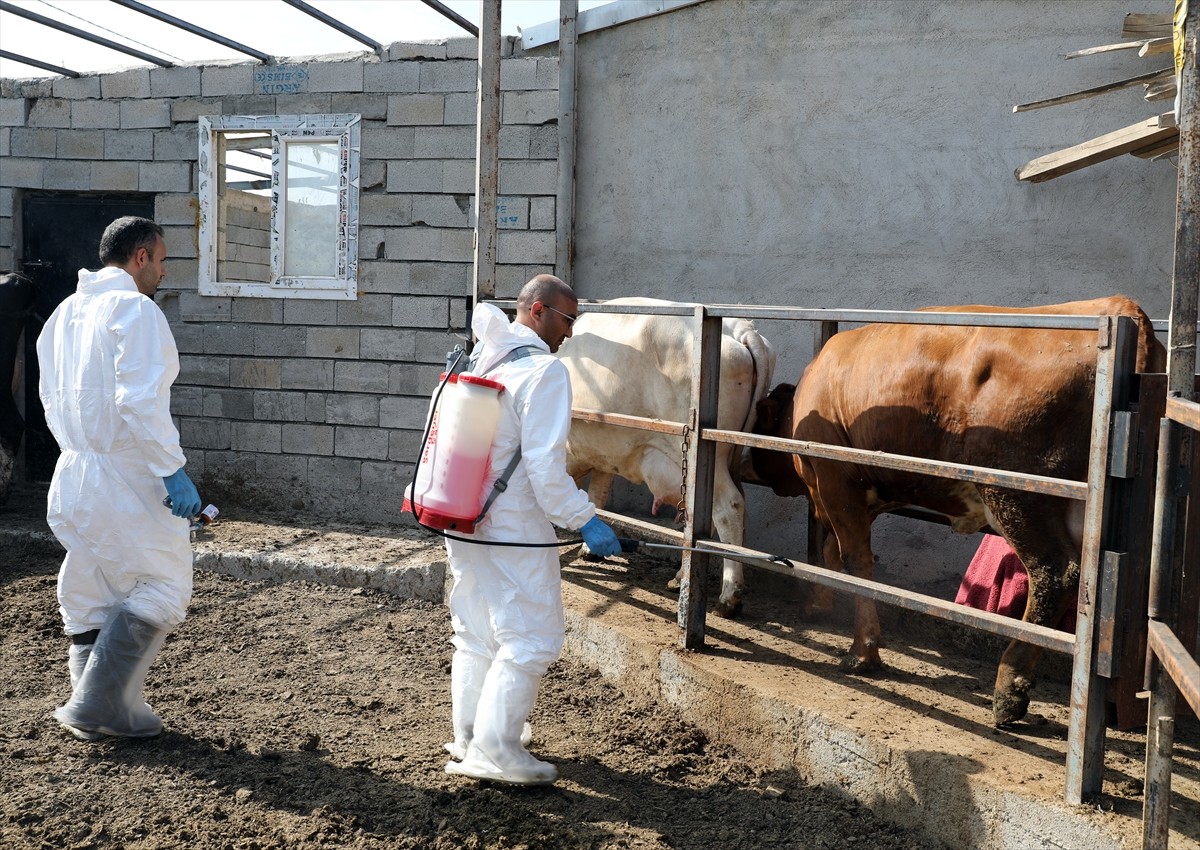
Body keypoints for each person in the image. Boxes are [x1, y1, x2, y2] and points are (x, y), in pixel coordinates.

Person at [442, 274, 621, 786]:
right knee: (532, 635)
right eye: (568, 319)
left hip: (462, 513)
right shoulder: (544, 372)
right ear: (538, 311)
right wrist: (584, 518)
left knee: (475, 629)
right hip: (513, 523)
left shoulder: (482, 357)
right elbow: (545, 469)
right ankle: (496, 751)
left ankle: (471, 734)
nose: (571, 332)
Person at [36, 216, 202, 740]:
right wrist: (170, 470)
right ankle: (99, 706)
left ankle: (103, 701)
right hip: (124, 475)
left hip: (73, 471)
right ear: (140, 258)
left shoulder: (65, 312)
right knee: (162, 584)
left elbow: (48, 394)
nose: (164, 269)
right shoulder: (135, 310)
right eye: (161, 257)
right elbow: (140, 401)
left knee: (93, 581)